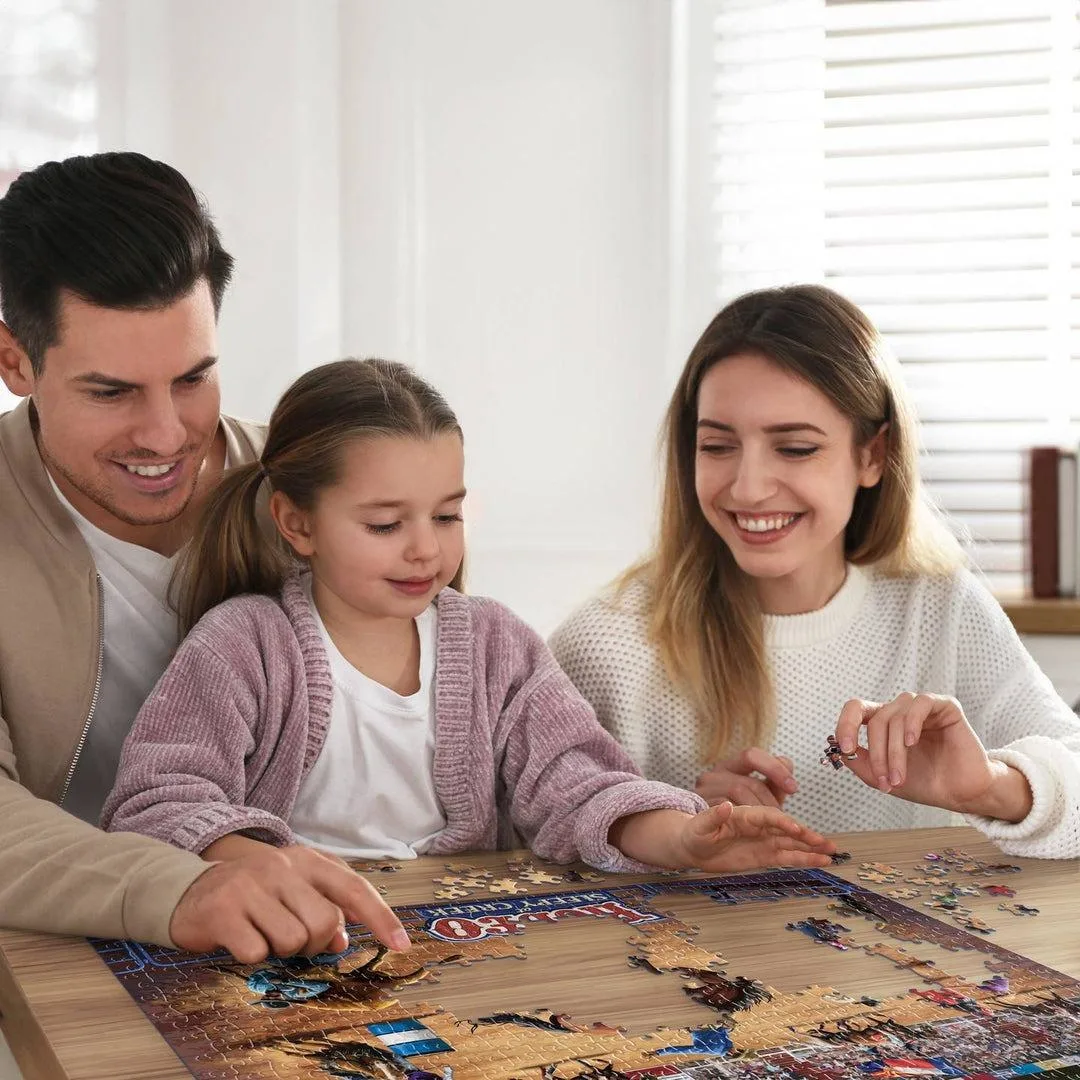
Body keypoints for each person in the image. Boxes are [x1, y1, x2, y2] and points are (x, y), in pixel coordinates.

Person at [101, 358, 837, 886]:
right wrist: (265, 867)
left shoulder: (494, 645)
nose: (428, 547)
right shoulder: (243, 644)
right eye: (386, 524)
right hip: (287, 938)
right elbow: (159, 801)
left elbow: (577, 786)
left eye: (448, 515)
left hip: (462, 945)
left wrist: (686, 837)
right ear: (297, 524)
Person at [0, 152, 405, 960]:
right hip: (63, 965)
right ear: (14, 362)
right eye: (110, 392)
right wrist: (178, 885)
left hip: (338, 944)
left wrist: (665, 815)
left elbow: (478, 718)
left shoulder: (322, 495)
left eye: (192, 379)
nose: (163, 435)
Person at [550, 284, 1080, 857]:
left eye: (796, 448)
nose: (748, 488)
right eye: (716, 446)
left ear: (872, 456)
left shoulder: (940, 606)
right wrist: (672, 832)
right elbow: (529, 837)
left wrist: (992, 790)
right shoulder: (603, 643)